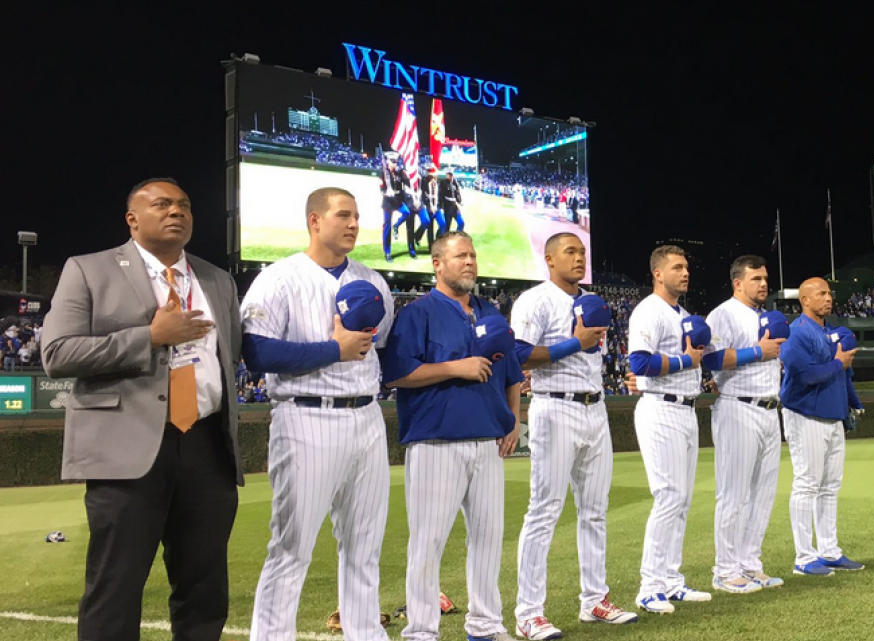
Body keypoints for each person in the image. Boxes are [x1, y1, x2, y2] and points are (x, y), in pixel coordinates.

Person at [41, 177, 244, 641]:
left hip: (207, 446)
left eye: (185, 205)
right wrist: (150, 337)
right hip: (127, 452)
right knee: (115, 587)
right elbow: (57, 354)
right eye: (162, 204)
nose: (177, 211)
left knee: (205, 589)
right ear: (132, 219)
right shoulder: (89, 270)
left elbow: (229, 357)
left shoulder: (217, 279)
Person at [241, 187, 396, 641]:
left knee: (364, 546)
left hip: (366, 416)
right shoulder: (281, 277)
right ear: (314, 220)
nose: (353, 224)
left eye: (356, 216)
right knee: (292, 547)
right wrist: (334, 350)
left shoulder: (374, 280)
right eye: (342, 215)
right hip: (306, 415)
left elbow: (383, 349)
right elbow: (257, 352)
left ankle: (365, 633)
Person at [383, 231, 523, 641]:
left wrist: (513, 418)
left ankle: (485, 625)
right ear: (437, 263)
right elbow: (397, 374)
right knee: (427, 541)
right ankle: (422, 630)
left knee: (488, 538)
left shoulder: (491, 310)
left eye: (473, 256)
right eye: (460, 256)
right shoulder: (418, 313)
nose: (470, 262)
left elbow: (511, 372)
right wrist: (454, 368)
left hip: (487, 442)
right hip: (435, 441)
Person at [511, 232, 638, 639]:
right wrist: (575, 342)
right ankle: (529, 612)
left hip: (595, 407)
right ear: (549, 260)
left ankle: (594, 600)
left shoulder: (592, 300)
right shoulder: (535, 299)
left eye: (582, 251)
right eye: (571, 252)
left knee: (595, 510)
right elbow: (519, 354)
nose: (580, 258)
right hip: (555, 406)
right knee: (544, 509)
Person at [626, 245, 709, 614]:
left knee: (682, 499)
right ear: (658, 273)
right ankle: (649, 586)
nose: (685, 272)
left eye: (687, 267)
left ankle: (671, 580)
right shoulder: (648, 310)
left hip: (686, 408)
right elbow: (639, 362)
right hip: (660, 408)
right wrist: (684, 361)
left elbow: (696, 361)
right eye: (677, 267)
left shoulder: (685, 314)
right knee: (668, 496)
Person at [701, 255, 786, 593]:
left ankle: (750, 564)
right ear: (738, 283)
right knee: (733, 494)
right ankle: (725, 570)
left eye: (765, 278)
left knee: (763, 494)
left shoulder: (767, 317)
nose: (763, 284)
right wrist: (757, 352)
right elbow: (710, 358)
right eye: (756, 279)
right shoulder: (723, 314)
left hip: (769, 409)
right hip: (738, 407)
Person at [779, 277, 864, 576]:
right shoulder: (796, 333)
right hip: (806, 416)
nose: (828, 298)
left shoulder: (832, 332)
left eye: (829, 293)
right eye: (821, 293)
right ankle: (804, 557)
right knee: (807, 484)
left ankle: (828, 551)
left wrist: (853, 402)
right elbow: (802, 375)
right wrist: (838, 363)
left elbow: (844, 375)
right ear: (805, 300)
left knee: (830, 487)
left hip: (833, 417)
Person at [381, 152, 418, 262]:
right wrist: (387, 192)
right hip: (388, 202)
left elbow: (407, 183)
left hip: (398, 200)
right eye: (392, 162)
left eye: (396, 162)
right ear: (387, 162)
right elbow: (381, 189)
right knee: (386, 227)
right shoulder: (383, 173)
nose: (394, 164)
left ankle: (396, 226)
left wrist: (408, 175)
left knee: (407, 212)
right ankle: (387, 252)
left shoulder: (399, 173)